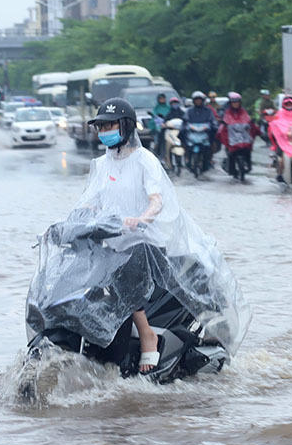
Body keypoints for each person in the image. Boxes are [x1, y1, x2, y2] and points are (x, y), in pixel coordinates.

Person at [35, 97, 249, 373]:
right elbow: (91, 201)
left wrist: (142, 219)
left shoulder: (145, 160)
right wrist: (72, 222)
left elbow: (156, 200)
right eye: (100, 126)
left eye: (109, 125)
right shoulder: (102, 164)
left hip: (145, 242)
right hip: (112, 241)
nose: (104, 131)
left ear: (125, 127)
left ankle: (147, 335)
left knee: (124, 275)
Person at [216, 92, 259, 179]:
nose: (236, 104)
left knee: (248, 150)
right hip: (232, 137)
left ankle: (248, 165)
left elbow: (248, 119)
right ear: (231, 103)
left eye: (237, 102)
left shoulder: (243, 111)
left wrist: (251, 123)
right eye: (234, 102)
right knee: (231, 153)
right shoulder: (227, 112)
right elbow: (224, 121)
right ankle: (231, 168)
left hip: (243, 136)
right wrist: (224, 124)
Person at [184, 91, 217, 172]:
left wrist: (213, 125)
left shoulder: (208, 111)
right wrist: (185, 126)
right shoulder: (189, 111)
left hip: (205, 134)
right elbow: (185, 120)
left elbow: (213, 120)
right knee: (182, 134)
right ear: (193, 101)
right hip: (192, 134)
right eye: (196, 100)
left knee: (214, 136)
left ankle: (209, 159)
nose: (198, 102)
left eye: (199, 100)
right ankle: (187, 157)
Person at [148, 93, 171, 159]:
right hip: (159, 129)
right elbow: (154, 118)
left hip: (168, 127)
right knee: (157, 141)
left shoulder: (168, 108)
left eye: (163, 98)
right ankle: (156, 153)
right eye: (160, 98)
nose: (162, 100)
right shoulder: (156, 108)